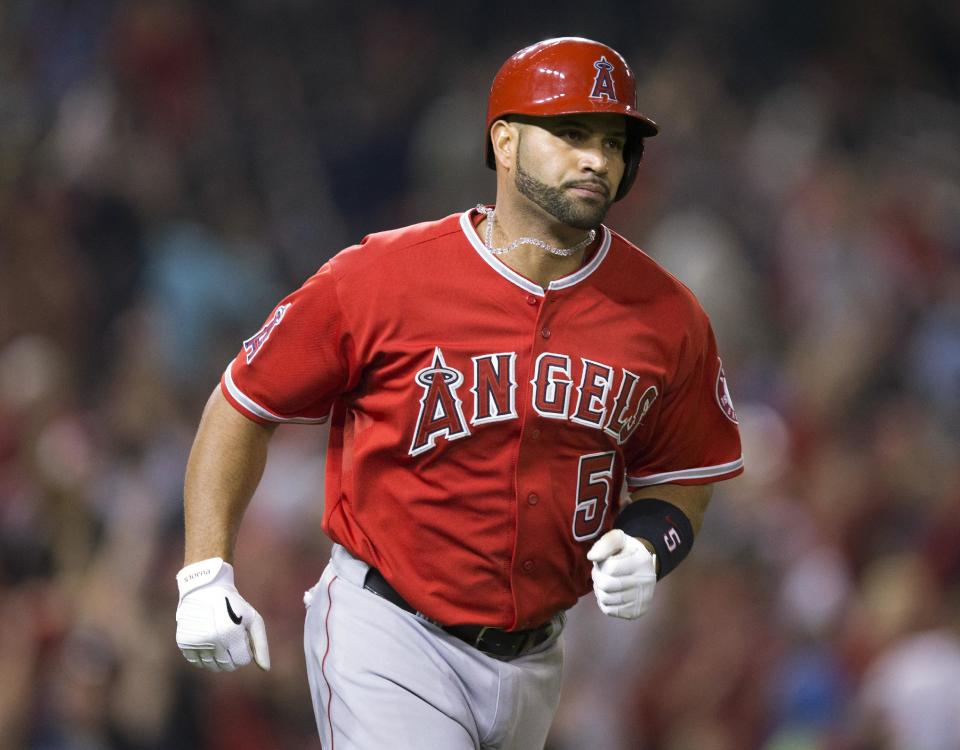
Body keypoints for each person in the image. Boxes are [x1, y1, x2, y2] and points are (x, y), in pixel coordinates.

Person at [175, 36, 744, 749]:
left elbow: (682, 477)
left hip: (537, 658)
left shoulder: (668, 315)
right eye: (570, 134)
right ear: (504, 142)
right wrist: (204, 572)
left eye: (613, 139)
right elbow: (241, 405)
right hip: (389, 632)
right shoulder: (381, 277)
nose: (597, 158)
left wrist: (649, 542)